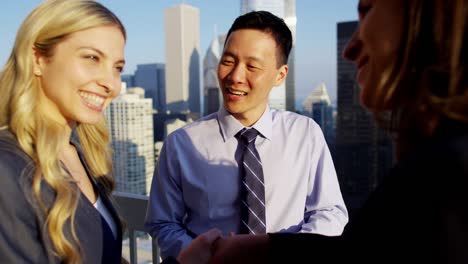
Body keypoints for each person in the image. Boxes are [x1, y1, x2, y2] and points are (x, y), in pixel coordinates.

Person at [208, 0, 468, 263]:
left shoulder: (446, 175)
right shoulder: (438, 165)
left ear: (427, 20)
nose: (350, 49)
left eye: (367, 10)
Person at [145, 10, 348, 261]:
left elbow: (330, 212)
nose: (235, 77)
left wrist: (280, 252)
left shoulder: (305, 134)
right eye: (228, 61)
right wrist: (210, 257)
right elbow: (162, 222)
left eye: (252, 66)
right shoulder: (181, 143)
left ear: (280, 75)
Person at [0, 1, 127, 263]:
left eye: (117, 68)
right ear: (37, 59)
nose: (111, 83)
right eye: (92, 58)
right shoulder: (7, 168)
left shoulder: (79, 153)